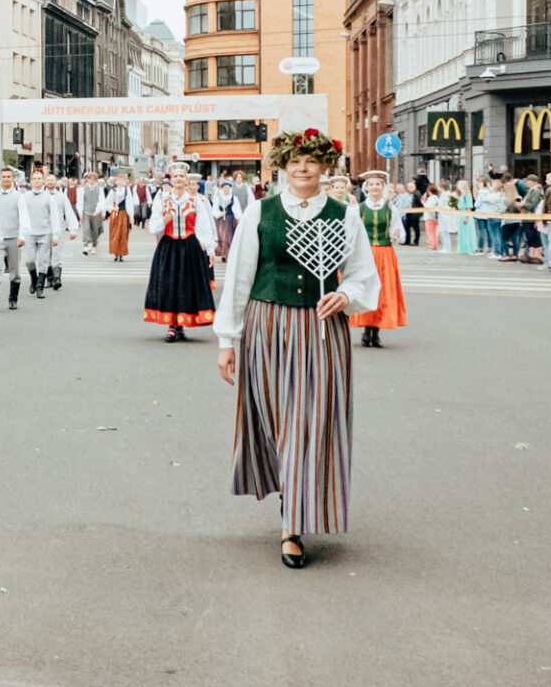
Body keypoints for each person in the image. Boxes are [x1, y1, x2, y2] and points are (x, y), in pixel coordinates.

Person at [216, 128, 378, 569]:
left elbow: (362, 273)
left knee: (312, 421)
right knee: (275, 419)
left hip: (322, 329)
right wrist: (228, 340)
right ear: (284, 166)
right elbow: (240, 277)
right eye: (295, 162)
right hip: (268, 325)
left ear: (324, 166)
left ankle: (293, 523)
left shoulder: (345, 215)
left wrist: (345, 295)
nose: (303, 169)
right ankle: (289, 488)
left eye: (311, 161)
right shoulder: (261, 211)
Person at [143, 165, 217, 343]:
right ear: (171, 179)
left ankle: (181, 324)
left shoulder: (195, 201)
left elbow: (204, 227)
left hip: (189, 247)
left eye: (181, 177)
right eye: (175, 176)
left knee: (185, 285)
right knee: (169, 284)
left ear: (186, 180)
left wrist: (210, 249)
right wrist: (164, 220)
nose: (178, 179)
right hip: (168, 246)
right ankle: (172, 325)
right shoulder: (162, 201)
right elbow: (153, 227)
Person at [348, 171, 408, 348]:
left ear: (382, 187)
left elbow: (399, 232)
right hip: (365, 253)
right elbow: (350, 233)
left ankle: (376, 331)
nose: (374, 187)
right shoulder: (358, 209)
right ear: (366, 187)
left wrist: (397, 236)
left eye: (378, 184)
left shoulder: (390, 209)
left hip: (385, 253)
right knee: (366, 289)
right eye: (371, 184)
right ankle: (367, 329)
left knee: (383, 291)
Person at [20, 168, 74, 295]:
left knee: (45, 260)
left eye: (39, 178)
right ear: (31, 181)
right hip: (30, 233)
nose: (37, 181)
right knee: (29, 260)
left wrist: (57, 234)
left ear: (42, 181)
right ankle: (34, 279)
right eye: (34, 179)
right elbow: (21, 217)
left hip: (46, 232)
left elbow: (55, 217)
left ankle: (42, 286)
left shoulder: (51, 198)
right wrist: (21, 234)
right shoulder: (24, 197)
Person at [0, 167, 27, 311]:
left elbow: (23, 217)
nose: (6, 179)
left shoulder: (18, 196)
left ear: (12, 178)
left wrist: (22, 235)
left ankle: (13, 299)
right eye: (3, 176)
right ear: (0, 178)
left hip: (14, 238)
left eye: (8, 176)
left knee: (14, 270)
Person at [103, 172, 133, 263]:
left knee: (123, 234)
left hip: (124, 214)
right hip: (115, 214)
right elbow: (106, 203)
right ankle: (116, 253)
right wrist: (113, 208)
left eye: (121, 181)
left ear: (124, 182)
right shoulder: (113, 191)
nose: (120, 183)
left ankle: (121, 253)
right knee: (114, 233)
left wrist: (131, 216)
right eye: (118, 181)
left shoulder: (127, 191)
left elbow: (129, 204)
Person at [75, 172, 106, 255]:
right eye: (90, 179)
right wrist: (80, 212)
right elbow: (80, 201)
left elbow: (102, 201)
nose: (92, 181)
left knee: (95, 229)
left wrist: (100, 211)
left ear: (96, 180)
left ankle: (94, 245)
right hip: (86, 211)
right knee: (86, 228)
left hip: (96, 212)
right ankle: (86, 245)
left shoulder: (99, 189)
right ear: (87, 179)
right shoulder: (82, 189)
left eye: (94, 179)